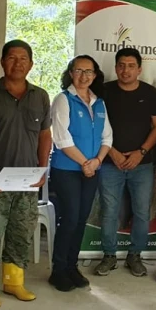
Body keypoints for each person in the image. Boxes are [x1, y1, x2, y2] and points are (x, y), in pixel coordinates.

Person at [0, 40, 52, 308]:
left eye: (23, 59)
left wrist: (43, 171)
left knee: (21, 233)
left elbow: (44, 136)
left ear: (31, 64)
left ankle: (14, 282)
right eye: (12, 58)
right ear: (2, 61)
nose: (18, 63)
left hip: (28, 180)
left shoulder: (40, 96)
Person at [94, 48, 156, 277]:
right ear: (115, 68)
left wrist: (140, 153)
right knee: (109, 211)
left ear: (139, 69)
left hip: (141, 165)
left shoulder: (150, 93)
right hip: (109, 162)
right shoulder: (104, 92)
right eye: (121, 65)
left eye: (131, 65)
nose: (126, 70)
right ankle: (109, 256)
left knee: (141, 211)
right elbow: (96, 127)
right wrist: (111, 152)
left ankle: (135, 256)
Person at [48, 55, 112, 291]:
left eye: (89, 71)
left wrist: (96, 161)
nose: (84, 76)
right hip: (67, 171)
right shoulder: (63, 100)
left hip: (91, 170)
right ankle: (58, 270)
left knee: (81, 219)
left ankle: (72, 267)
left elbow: (108, 137)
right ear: (71, 73)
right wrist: (87, 162)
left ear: (95, 75)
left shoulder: (99, 102)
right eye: (79, 71)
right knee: (71, 218)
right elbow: (62, 138)